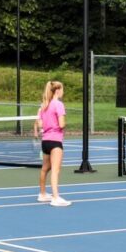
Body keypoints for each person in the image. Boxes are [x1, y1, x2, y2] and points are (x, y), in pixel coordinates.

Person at [36, 78, 71, 207]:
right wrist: (62, 124)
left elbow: (40, 124)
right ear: (57, 90)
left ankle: (42, 194)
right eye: (62, 89)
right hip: (55, 141)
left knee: (45, 169)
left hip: (45, 141)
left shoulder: (44, 105)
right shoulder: (59, 104)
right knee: (55, 170)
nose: (63, 92)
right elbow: (61, 124)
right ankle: (55, 197)